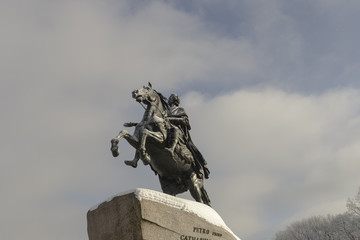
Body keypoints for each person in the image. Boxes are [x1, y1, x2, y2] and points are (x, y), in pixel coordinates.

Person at [165, 94, 210, 179]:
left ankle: (201, 165)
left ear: (175, 100)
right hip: (166, 130)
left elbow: (185, 121)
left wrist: (170, 119)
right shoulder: (165, 111)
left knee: (177, 132)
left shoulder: (180, 110)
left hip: (178, 132)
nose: (169, 99)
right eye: (169, 98)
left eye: (171, 98)